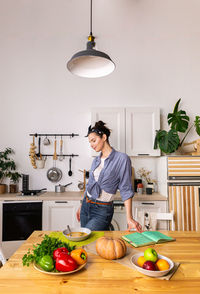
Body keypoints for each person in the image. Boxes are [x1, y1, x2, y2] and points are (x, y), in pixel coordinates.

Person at [76, 121, 142, 233]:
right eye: (89, 142)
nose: (91, 145)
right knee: (86, 242)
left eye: (93, 140)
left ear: (104, 137)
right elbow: (90, 185)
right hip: (86, 206)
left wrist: (129, 218)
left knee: (90, 237)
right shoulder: (96, 160)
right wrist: (81, 205)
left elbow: (126, 188)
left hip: (102, 210)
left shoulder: (122, 159)